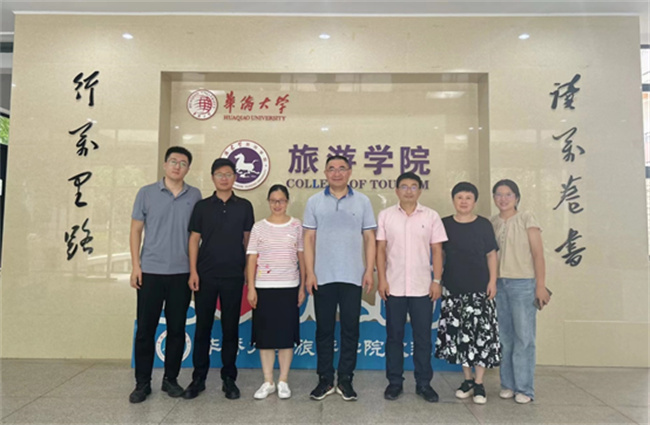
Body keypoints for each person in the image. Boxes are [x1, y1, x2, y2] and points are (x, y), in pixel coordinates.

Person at [128, 146, 202, 403]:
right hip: (150, 271)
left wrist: (194, 270)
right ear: (164, 165)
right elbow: (135, 231)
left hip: (181, 273)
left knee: (177, 329)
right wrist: (136, 266)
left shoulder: (195, 195)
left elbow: (196, 236)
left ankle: (171, 379)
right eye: (173, 161)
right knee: (145, 330)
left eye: (183, 163)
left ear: (188, 168)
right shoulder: (146, 193)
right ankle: (142, 383)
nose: (177, 166)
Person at [303, 155, 377, 401]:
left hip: (353, 276)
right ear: (325, 173)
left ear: (349, 172)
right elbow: (308, 239)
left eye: (341, 168)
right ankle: (325, 380)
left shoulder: (362, 201)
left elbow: (369, 237)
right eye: (332, 169)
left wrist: (369, 269)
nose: (336, 173)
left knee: (350, 329)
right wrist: (310, 272)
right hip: (322, 276)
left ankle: (345, 380)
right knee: (324, 330)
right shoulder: (314, 201)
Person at [183, 158, 255, 400]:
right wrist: (193, 271)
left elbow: (248, 241)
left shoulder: (244, 206)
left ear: (235, 177)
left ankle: (229, 378)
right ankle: (198, 378)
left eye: (229, 174)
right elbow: (194, 239)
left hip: (234, 275)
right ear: (213, 178)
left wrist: (248, 272)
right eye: (219, 174)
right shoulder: (202, 206)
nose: (224, 178)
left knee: (230, 328)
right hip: (205, 275)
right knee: (202, 328)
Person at [376, 172, 447, 403]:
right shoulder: (386, 216)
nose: (408, 191)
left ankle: (424, 383)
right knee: (394, 337)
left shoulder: (431, 216)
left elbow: (437, 251)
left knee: (423, 338)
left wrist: (437, 281)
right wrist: (382, 280)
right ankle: (394, 383)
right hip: (394, 286)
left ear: (420, 190)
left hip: (422, 287)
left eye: (413, 186)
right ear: (396, 191)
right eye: (404, 186)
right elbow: (380, 250)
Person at [434, 182, 500, 404]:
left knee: (481, 336)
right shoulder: (444, 224)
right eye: (459, 197)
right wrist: (437, 280)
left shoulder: (483, 225)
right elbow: (439, 254)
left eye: (468, 198)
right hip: (454, 289)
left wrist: (492, 281)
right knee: (460, 336)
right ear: (453, 200)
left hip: (480, 289)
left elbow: (491, 254)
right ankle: (467, 380)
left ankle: (480, 383)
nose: (463, 201)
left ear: (475, 201)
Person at [490, 179, 550, 404]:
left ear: (516, 197)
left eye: (508, 194)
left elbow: (538, 254)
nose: (503, 198)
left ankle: (524, 388)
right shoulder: (492, 222)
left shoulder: (527, 218)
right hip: (499, 284)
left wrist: (540, 285)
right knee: (504, 338)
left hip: (523, 284)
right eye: (499, 194)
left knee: (524, 337)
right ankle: (507, 384)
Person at [246, 184, 306, 400]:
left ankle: (283, 381)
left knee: (286, 337)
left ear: (287, 202)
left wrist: (302, 286)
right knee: (265, 338)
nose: (277, 204)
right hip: (264, 288)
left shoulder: (296, 225)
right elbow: (252, 258)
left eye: (281, 200)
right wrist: (251, 287)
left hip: (289, 287)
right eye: (273, 201)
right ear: (268, 202)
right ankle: (268, 381)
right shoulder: (259, 227)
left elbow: (301, 257)